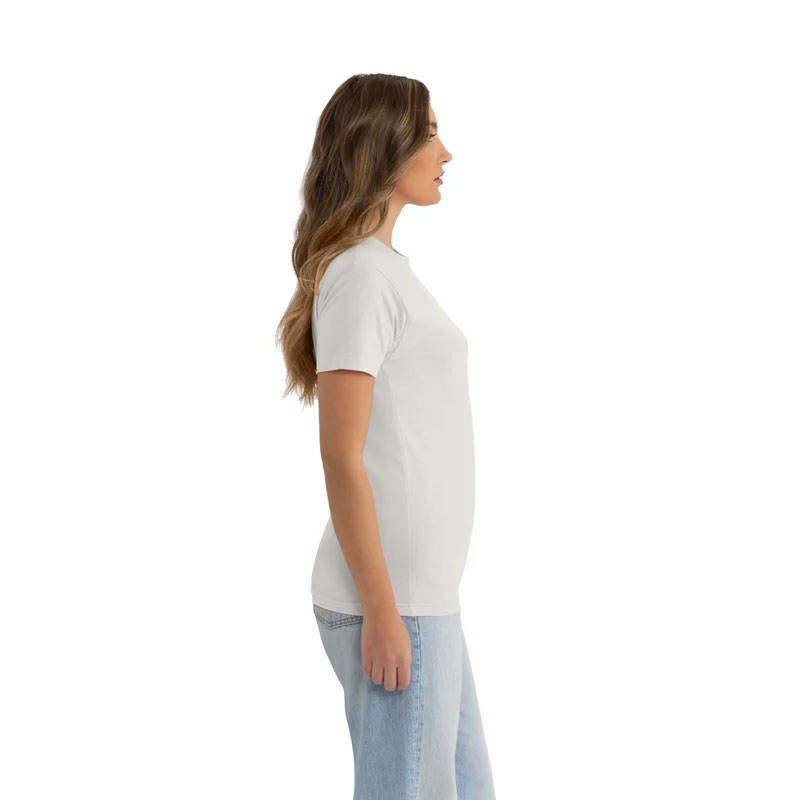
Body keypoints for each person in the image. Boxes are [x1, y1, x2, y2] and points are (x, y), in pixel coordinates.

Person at [277, 73, 496, 799]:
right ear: (384, 145)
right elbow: (341, 457)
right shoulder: (362, 279)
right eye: (429, 134)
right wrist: (380, 613)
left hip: (424, 597)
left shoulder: (382, 273)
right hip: (394, 601)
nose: (446, 153)